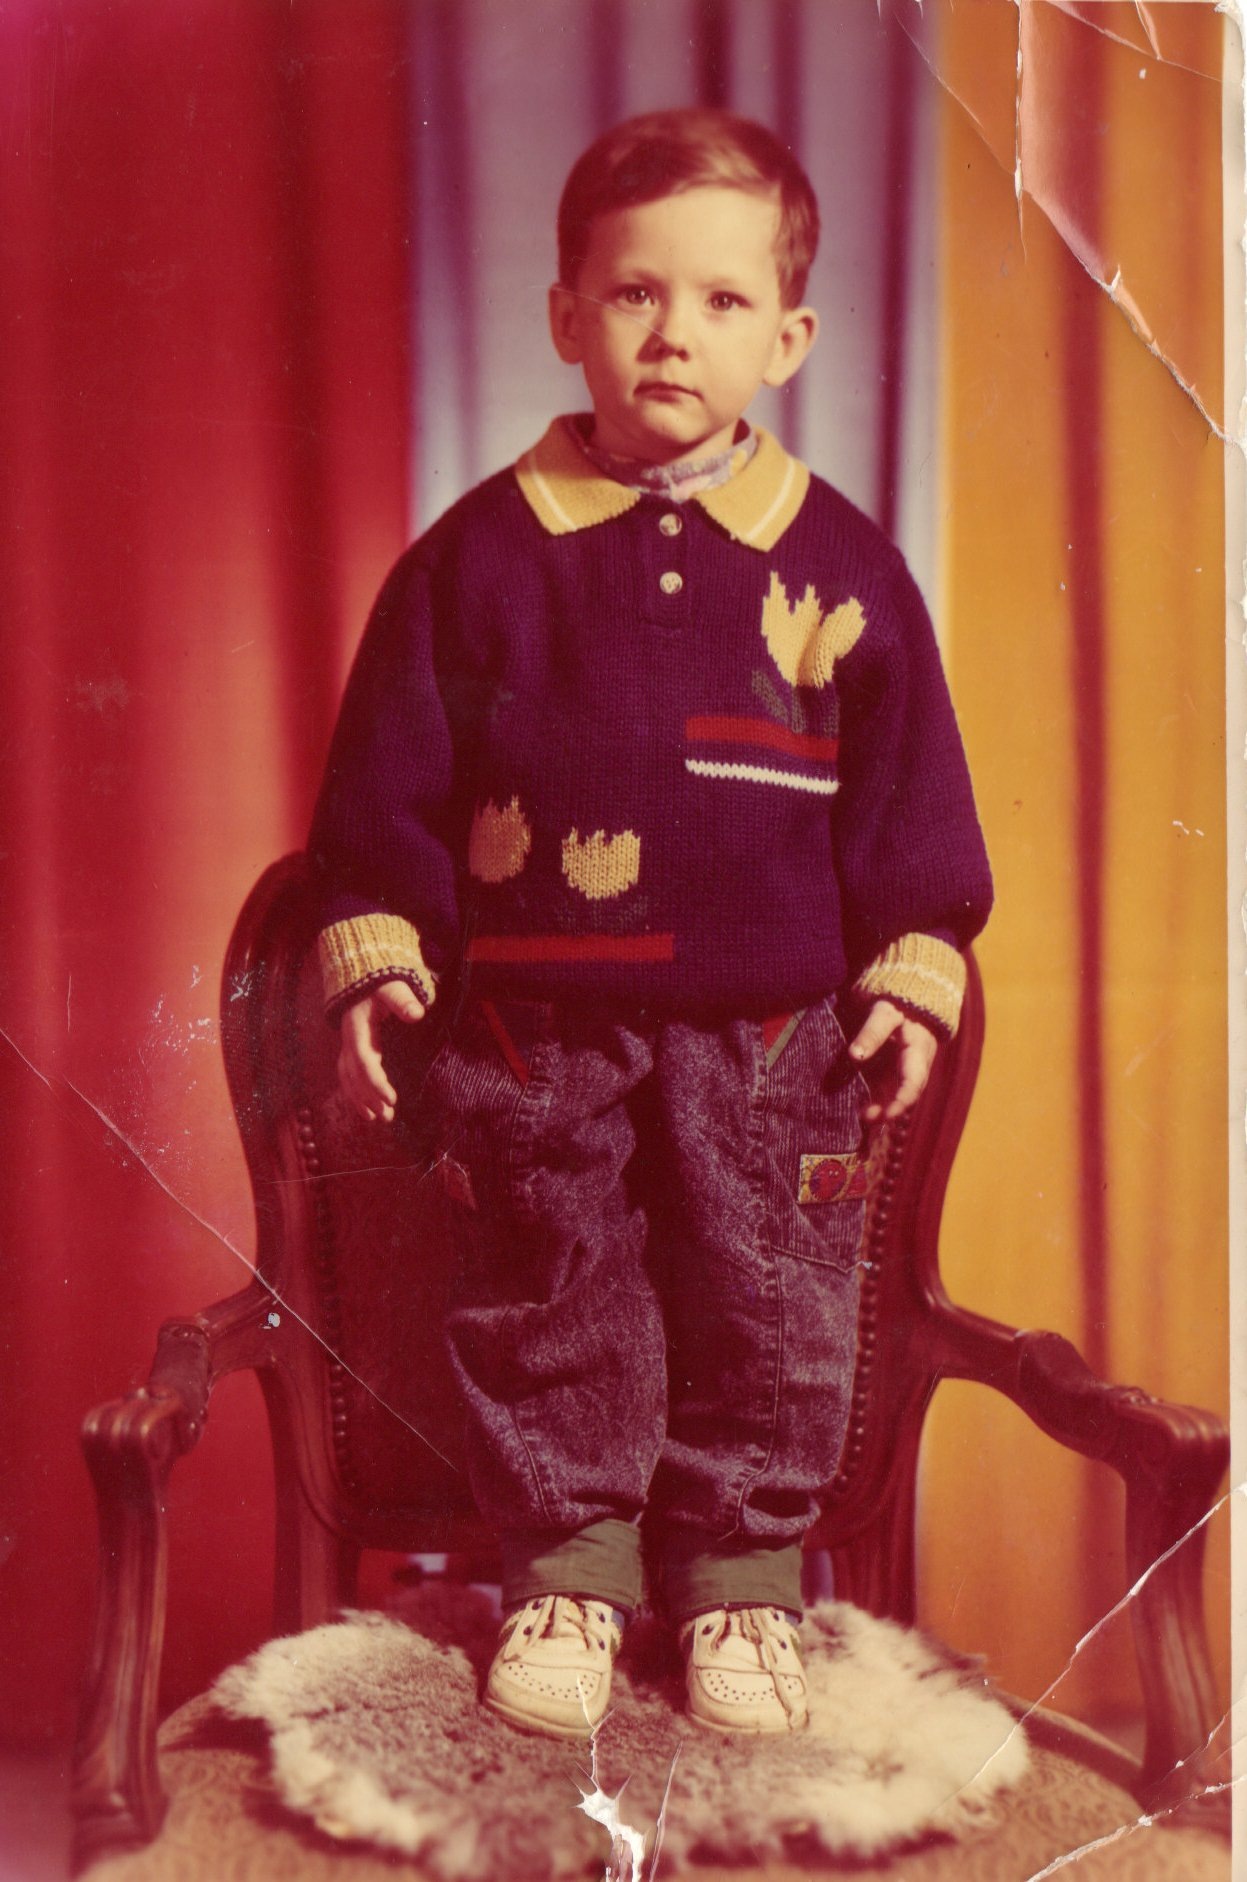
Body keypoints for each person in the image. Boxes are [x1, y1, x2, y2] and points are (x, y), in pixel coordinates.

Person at [309, 108, 992, 1742]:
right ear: (566, 316)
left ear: (787, 337)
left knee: (769, 1289)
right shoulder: (473, 564)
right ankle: (568, 1570)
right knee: (552, 1282)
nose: (674, 332)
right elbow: (384, 790)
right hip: (530, 1029)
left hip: (775, 1034)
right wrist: (378, 946)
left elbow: (912, 800)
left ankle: (742, 1578)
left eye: (722, 300)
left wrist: (916, 961)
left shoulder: (844, 564)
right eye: (633, 294)